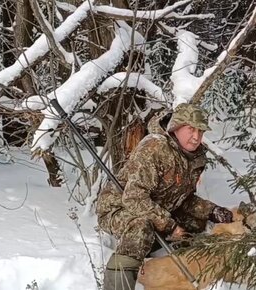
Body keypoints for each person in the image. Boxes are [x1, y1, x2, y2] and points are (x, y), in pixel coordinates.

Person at [96, 103, 234, 290]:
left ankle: (167, 257)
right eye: (190, 129)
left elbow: (183, 198)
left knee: (196, 223)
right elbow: (134, 197)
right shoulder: (155, 147)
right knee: (140, 228)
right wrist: (169, 225)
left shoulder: (195, 157)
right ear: (176, 127)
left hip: (157, 206)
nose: (196, 137)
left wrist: (211, 210)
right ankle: (117, 285)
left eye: (200, 132)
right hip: (119, 207)